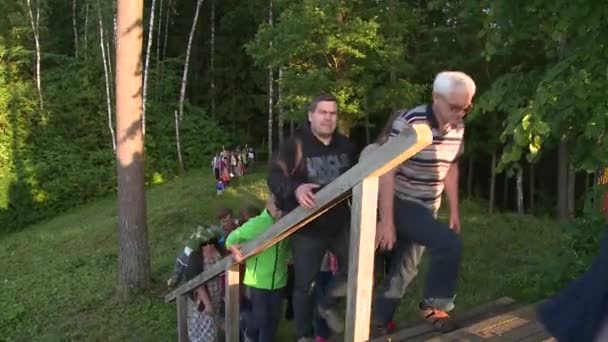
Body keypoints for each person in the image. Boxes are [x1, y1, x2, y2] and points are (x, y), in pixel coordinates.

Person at [370, 71, 476, 335]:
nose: (460, 113)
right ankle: (435, 305)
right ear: (436, 98)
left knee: (406, 269)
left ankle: (379, 322)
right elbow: (386, 171)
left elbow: (450, 167)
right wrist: (387, 221)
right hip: (401, 201)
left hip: (428, 207)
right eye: (454, 107)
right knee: (448, 243)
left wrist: (454, 210)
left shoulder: (458, 127)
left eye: (466, 108)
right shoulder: (411, 122)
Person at [268, 93, 356, 341]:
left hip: (339, 223)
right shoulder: (294, 145)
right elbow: (274, 176)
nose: (328, 118)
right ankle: (304, 335)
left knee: (358, 269)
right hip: (307, 227)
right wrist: (295, 189)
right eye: (322, 112)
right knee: (304, 286)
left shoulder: (346, 146)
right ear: (311, 116)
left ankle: (327, 304)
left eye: (332, 113)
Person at [226, 195, 289, 342]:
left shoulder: (287, 222)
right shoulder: (257, 223)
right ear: (269, 205)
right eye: (277, 209)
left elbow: (286, 247)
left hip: (279, 280)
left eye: (282, 210)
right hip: (258, 281)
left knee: (273, 321)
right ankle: (245, 322)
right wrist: (232, 247)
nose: (279, 214)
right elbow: (232, 238)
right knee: (261, 318)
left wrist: (290, 256)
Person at [184, 234, 223, 342]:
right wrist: (207, 304)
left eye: (211, 242)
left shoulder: (220, 251)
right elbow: (197, 283)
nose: (209, 246)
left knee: (213, 330)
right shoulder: (196, 257)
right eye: (205, 244)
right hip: (201, 301)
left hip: (217, 297)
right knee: (202, 331)